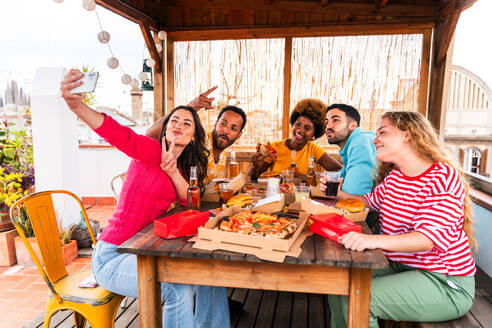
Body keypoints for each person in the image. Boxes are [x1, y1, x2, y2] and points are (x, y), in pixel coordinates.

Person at [60, 70, 230, 328]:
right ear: (165, 127)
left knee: (211, 273)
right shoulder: (150, 151)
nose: (178, 125)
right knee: (177, 290)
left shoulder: (182, 167)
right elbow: (118, 134)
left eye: (187, 123)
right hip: (113, 255)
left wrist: (172, 171)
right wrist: (76, 105)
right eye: (174, 120)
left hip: (144, 250)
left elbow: (188, 203)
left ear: (194, 136)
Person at [321, 111, 476, 327]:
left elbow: (426, 239)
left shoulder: (443, 178)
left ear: (409, 135)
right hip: (399, 266)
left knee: (358, 298)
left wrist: (371, 240)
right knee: (337, 284)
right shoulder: (396, 176)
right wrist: (338, 193)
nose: (375, 139)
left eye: (383, 132)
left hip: (443, 282)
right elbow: (368, 201)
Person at [146, 87, 247, 181]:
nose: (226, 130)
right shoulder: (198, 140)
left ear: (239, 135)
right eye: (223, 124)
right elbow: (150, 134)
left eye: (233, 128)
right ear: (215, 124)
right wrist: (191, 107)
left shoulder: (223, 156)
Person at [248, 98, 341, 179]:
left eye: (307, 128)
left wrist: (315, 176)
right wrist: (254, 166)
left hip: (301, 196)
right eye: (298, 124)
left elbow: (339, 169)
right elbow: (254, 178)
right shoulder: (273, 148)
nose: (300, 130)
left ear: (315, 134)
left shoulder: (313, 150)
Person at [325, 103, 376, 195]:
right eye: (326, 122)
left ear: (353, 126)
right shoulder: (354, 143)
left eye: (335, 120)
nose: (328, 127)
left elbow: (354, 193)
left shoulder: (360, 142)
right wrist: (328, 179)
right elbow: (348, 170)